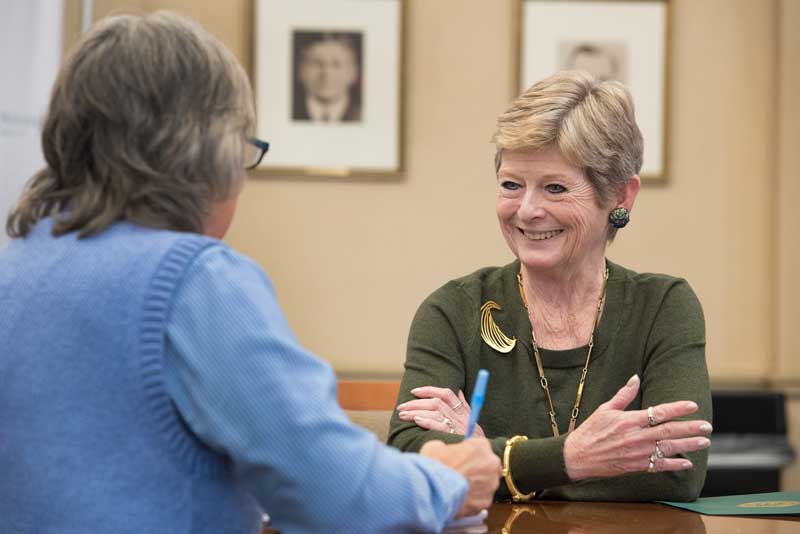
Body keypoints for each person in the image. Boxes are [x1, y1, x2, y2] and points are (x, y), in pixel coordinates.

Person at [0, 12, 501, 533]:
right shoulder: (193, 282)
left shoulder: (15, 269)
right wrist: (448, 477)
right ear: (206, 154)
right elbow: (338, 495)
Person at [388, 70, 713, 503]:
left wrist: (489, 457)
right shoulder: (454, 310)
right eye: (511, 185)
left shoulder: (663, 307)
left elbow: (679, 471)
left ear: (621, 196)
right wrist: (575, 458)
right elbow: (410, 460)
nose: (527, 210)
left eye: (555, 188)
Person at [293, 32, 362, 122]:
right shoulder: (286, 112)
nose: (326, 73)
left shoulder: (364, 115)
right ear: (301, 70)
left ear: (353, 72)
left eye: (336, 64)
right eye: (317, 63)